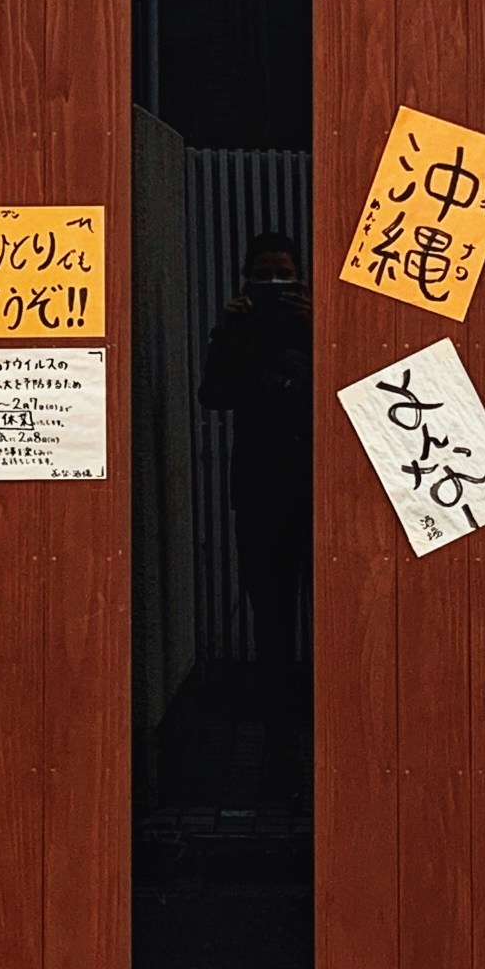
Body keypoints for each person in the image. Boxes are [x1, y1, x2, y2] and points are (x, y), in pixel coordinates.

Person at [203, 232, 316, 684]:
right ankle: (278, 722)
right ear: (246, 281)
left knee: (332, 609)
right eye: (263, 276)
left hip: (314, 487)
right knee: (270, 614)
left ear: (301, 281)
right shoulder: (238, 332)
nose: (273, 284)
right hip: (260, 492)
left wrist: (316, 331)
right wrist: (231, 337)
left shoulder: (319, 330)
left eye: (283, 276)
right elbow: (213, 396)